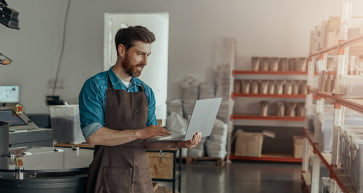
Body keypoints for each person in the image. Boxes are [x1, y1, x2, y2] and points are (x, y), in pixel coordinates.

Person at [79, 25, 201, 193]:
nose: (145, 62)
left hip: (140, 181)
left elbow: (148, 141)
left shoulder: (146, 92)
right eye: (139, 54)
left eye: (148, 55)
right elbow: (93, 136)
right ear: (121, 50)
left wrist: (180, 142)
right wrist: (139, 133)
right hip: (107, 181)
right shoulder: (95, 86)